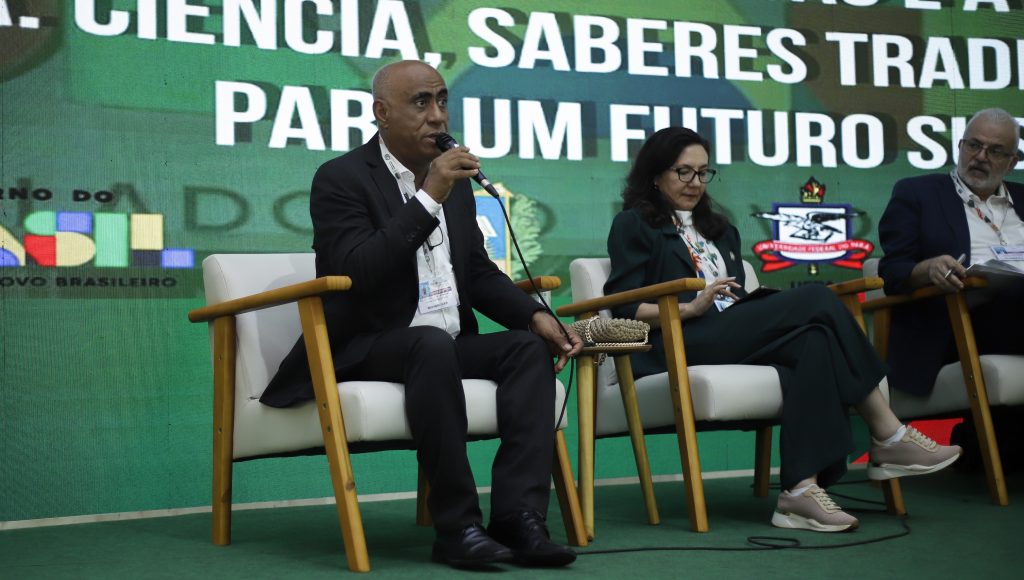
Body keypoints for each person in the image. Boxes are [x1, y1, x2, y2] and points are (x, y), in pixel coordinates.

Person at [261, 60, 583, 568]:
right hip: (371, 343)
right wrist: (429, 195)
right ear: (382, 114)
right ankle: (457, 527)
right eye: (420, 103)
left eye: (441, 100)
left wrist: (532, 315)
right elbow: (356, 271)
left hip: (443, 342)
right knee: (429, 344)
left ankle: (519, 519)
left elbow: (475, 273)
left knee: (525, 348)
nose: (437, 116)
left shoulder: (450, 181)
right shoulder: (341, 178)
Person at [604, 127, 961, 533]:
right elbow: (624, 307)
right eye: (683, 172)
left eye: (704, 173)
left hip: (729, 330)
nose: (695, 183)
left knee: (815, 339)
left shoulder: (721, 230)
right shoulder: (634, 224)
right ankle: (887, 432)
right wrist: (691, 307)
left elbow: (734, 296)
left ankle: (799, 491)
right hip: (677, 340)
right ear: (655, 175)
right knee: (817, 298)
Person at [878, 108, 1024, 396]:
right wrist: (928, 268)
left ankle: (974, 438)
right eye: (974, 145)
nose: (980, 157)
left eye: (995, 151)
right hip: (954, 324)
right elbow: (891, 272)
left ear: (1011, 163)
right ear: (960, 147)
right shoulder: (918, 194)